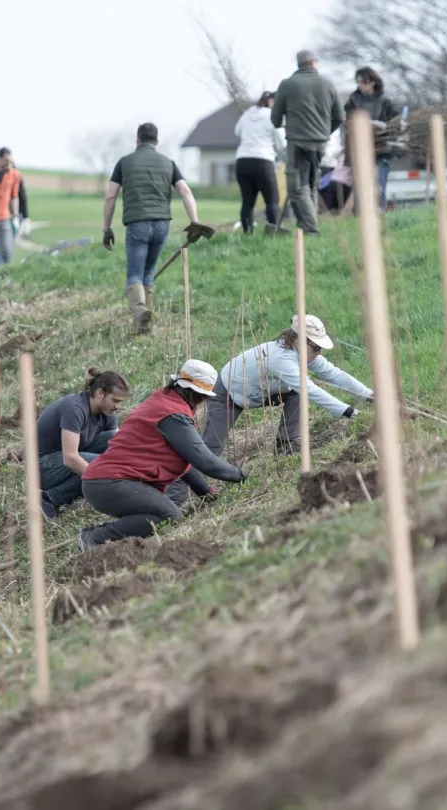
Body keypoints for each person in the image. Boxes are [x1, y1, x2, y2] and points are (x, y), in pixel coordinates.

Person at [77, 360, 247, 551]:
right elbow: (206, 461)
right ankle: (94, 538)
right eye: (204, 397)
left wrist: (205, 493)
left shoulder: (164, 401)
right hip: (109, 482)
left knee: (162, 513)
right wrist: (242, 477)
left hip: (104, 481)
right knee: (167, 515)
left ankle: (96, 535)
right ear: (196, 394)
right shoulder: (173, 414)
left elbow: (184, 459)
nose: (203, 402)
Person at [205, 315, 373, 457]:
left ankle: (285, 444)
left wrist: (369, 396)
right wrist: (350, 412)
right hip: (229, 393)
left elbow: (335, 374)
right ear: (299, 340)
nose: (319, 353)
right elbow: (311, 390)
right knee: (210, 449)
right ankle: (186, 486)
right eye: (316, 347)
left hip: (261, 391)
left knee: (298, 390)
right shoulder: (282, 359)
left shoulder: (302, 352)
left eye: (320, 348)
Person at [101, 123, 203, 335]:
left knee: (135, 274)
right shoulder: (168, 163)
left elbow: (111, 196)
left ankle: (139, 311)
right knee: (148, 273)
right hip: (161, 224)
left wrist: (107, 228)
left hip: (137, 223)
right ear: (156, 142)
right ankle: (143, 326)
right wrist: (195, 222)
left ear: (138, 139)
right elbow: (185, 189)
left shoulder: (124, 162)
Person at [37, 368, 130, 519]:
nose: (118, 406)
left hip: (68, 459)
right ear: (100, 393)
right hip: (41, 468)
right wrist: (104, 479)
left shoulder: (107, 412)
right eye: (115, 400)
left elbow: (118, 449)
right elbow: (71, 459)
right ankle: (52, 498)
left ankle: (48, 498)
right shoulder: (75, 408)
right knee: (102, 466)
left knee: (113, 440)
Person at [271, 50, 344, 236]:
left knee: (297, 186)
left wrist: (285, 123)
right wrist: (324, 132)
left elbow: (275, 120)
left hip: (297, 143)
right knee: (311, 183)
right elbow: (339, 116)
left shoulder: (287, 84)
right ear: (315, 62)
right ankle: (308, 224)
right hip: (320, 143)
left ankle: (310, 228)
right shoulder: (327, 84)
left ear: (298, 64)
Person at [344, 66, 400, 211]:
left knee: (379, 185)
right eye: (358, 82)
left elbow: (396, 122)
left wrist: (383, 128)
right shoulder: (353, 100)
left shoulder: (386, 101)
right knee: (362, 185)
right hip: (361, 148)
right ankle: (363, 217)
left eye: (363, 82)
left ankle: (380, 215)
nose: (360, 85)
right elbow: (347, 120)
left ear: (372, 82)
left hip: (382, 149)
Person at [234, 91, 286, 234]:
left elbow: (237, 132)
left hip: (242, 161)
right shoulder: (272, 115)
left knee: (247, 201)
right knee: (272, 200)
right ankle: (272, 232)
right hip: (263, 160)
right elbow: (282, 143)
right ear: (272, 102)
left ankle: (247, 233)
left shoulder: (246, 114)